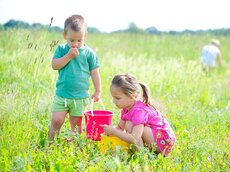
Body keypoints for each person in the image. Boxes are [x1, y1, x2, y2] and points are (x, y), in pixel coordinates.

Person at [48, 14, 101, 141]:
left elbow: (94, 72)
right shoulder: (61, 49)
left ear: (85, 36)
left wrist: (98, 90)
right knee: (57, 120)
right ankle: (50, 144)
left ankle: (74, 146)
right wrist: (68, 56)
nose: (75, 44)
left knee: (76, 123)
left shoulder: (89, 53)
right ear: (64, 35)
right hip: (62, 94)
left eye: (79, 40)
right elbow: (55, 65)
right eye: (72, 40)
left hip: (80, 96)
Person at [100, 74, 176, 156]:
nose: (114, 101)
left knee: (129, 125)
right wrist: (108, 133)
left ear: (132, 95)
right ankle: (144, 150)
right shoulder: (126, 108)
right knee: (129, 125)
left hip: (164, 141)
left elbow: (134, 139)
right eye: (113, 98)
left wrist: (114, 131)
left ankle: (141, 155)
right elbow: (120, 128)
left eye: (117, 98)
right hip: (155, 137)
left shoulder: (139, 111)